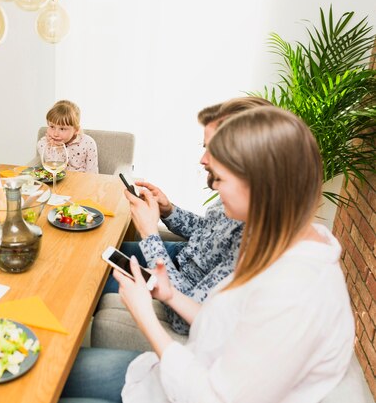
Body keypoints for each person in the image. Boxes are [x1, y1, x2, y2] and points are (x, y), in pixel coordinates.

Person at [61, 106, 354, 403]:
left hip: (184, 387)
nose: (214, 186)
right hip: (169, 375)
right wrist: (170, 296)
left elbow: (212, 396)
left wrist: (145, 315)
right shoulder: (278, 240)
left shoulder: (294, 293)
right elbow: (221, 322)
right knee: (55, 371)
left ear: (260, 186)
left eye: (220, 179)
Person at [102, 97, 272, 335]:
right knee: (96, 255)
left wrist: (150, 233)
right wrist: (168, 210)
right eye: (205, 147)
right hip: (181, 257)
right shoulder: (237, 191)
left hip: (181, 283)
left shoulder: (254, 239)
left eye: (214, 150)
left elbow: (186, 316)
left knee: (92, 281)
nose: (203, 160)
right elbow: (208, 230)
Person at [37, 100, 99, 173]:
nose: (55, 134)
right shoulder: (43, 143)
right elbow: (54, 172)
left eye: (62, 129)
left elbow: (93, 174)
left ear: (76, 129)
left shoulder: (88, 143)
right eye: (52, 127)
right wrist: (56, 148)